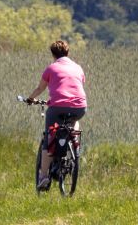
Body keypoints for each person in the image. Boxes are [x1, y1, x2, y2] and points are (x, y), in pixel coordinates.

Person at [26, 39, 87, 190]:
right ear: (68, 52)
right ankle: (74, 138)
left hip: (57, 108)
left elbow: (40, 88)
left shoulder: (51, 68)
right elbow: (78, 85)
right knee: (74, 120)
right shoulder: (78, 68)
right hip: (80, 107)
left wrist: (30, 99)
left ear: (53, 55)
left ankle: (44, 176)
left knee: (50, 137)